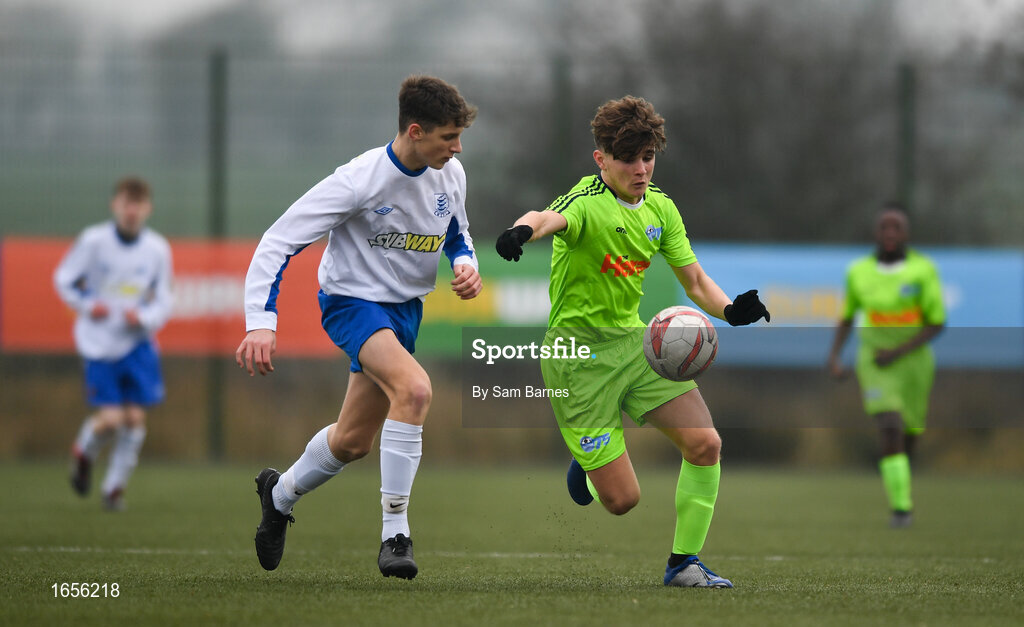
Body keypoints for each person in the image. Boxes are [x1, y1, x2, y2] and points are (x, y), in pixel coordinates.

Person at [494, 96, 770, 588]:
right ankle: (587, 463)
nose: (641, 169)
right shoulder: (586, 203)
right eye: (628, 159)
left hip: (636, 347)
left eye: (648, 157)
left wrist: (729, 310)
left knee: (706, 444)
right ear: (601, 160)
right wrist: (520, 231)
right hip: (576, 360)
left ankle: (684, 564)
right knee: (622, 501)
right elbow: (546, 216)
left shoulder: (660, 208)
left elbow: (696, 282)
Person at [236, 75, 481, 578]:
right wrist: (261, 322)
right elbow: (277, 241)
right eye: (447, 138)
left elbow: (458, 233)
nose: (456, 149)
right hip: (352, 303)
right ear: (415, 131)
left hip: (404, 311)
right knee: (414, 391)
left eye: (459, 138)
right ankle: (395, 533)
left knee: (352, 442)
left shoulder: (451, 173)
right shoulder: (358, 180)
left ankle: (278, 494)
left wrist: (465, 262)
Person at [56, 177, 174, 511]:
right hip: (99, 345)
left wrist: (146, 317)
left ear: (148, 208)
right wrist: (87, 305)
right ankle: (83, 452)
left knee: (135, 420)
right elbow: (64, 280)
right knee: (111, 420)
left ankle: (113, 490)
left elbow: (164, 299)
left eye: (138, 203)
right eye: (126, 202)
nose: (132, 210)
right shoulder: (93, 242)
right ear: (115, 205)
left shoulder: (157, 249)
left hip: (137, 345)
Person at [827, 203, 945, 528]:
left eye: (897, 227)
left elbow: (936, 323)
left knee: (909, 433)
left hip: (914, 363)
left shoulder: (923, 270)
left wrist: (899, 352)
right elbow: (848, 316)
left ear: (906, 234)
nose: (890, 233)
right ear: (876, 233)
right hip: (875, 360)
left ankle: (900, 485)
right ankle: (901, 509)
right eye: (884, 227)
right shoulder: (859, 272)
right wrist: (835, 355)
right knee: (890, 424)